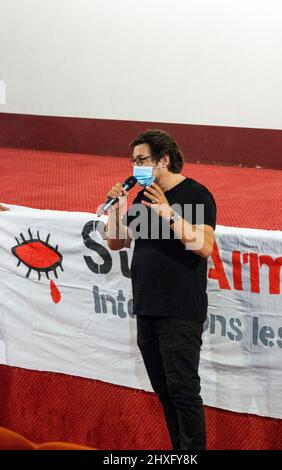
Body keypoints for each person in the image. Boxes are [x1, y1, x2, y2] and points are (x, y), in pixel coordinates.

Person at [105, 129, 216, 450]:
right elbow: (116, 241)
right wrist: (116, 206)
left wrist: (168, 212)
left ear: (163, 160)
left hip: (179, 310)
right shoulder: (143, 196)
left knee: (183, 391)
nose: (135, 167)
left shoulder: (197, 195)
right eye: (133, 160)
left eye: (141, 160)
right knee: (165, 392)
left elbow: (204, 246)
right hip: (147, 306)